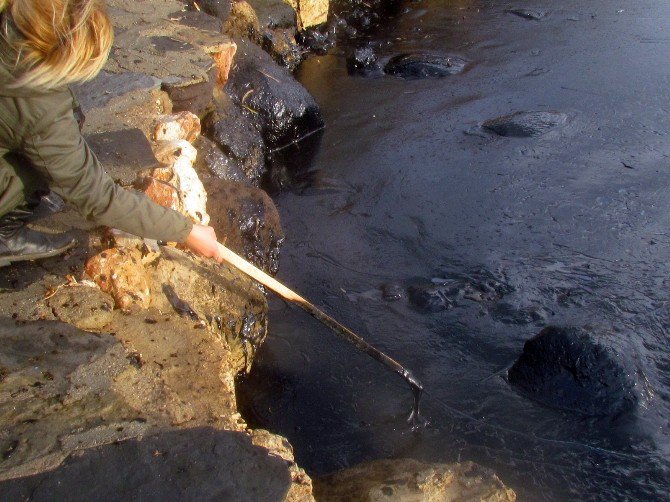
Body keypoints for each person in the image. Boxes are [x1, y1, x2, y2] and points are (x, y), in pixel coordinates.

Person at [0, 0, 225, 267]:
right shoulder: (38, 104)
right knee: (51, 160)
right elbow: (97, 195)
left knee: (67, 124)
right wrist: (187, 231)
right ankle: (4, 236)